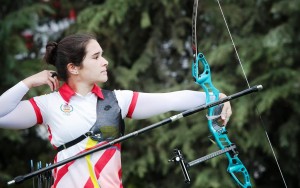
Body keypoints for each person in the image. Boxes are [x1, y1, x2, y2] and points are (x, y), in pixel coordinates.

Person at [0, 33, 232, 188]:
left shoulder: (117, 100)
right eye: (96, 56)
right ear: (73, 68)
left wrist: (217, 97)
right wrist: (28, 83)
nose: (105, 61)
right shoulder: (48, 105)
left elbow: (170, 99)